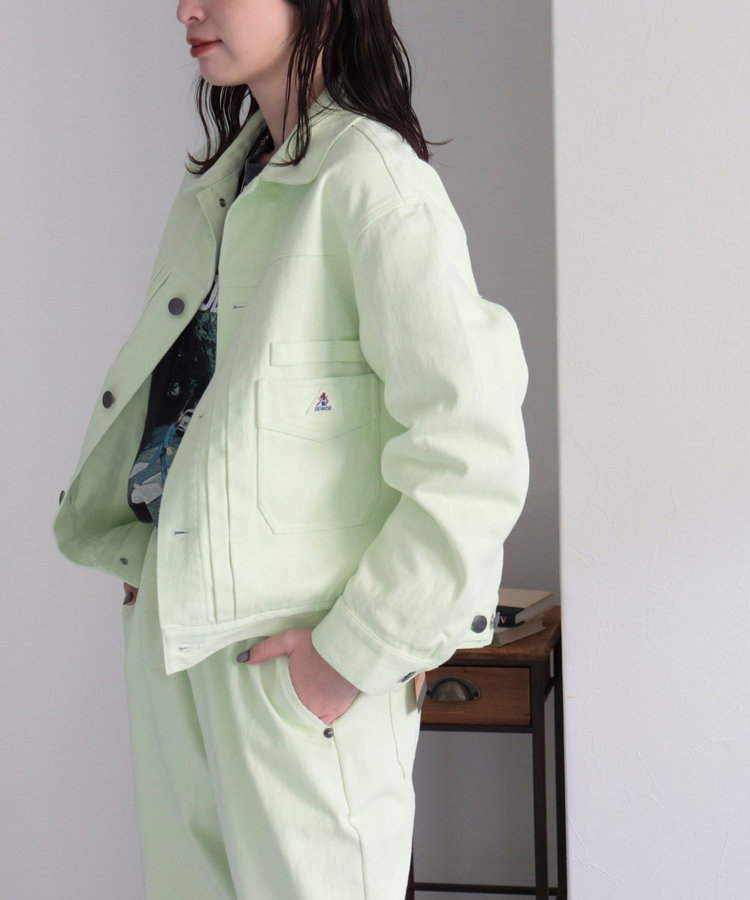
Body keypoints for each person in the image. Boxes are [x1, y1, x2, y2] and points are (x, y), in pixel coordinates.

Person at [53, 0, 530, 897]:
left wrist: (356, 651)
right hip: (183, 639)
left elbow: (472, 451)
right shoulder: (223, 184)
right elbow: (201, 406)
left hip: (295, 666)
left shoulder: (372, 183)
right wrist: (150, 555)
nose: (187, 9)